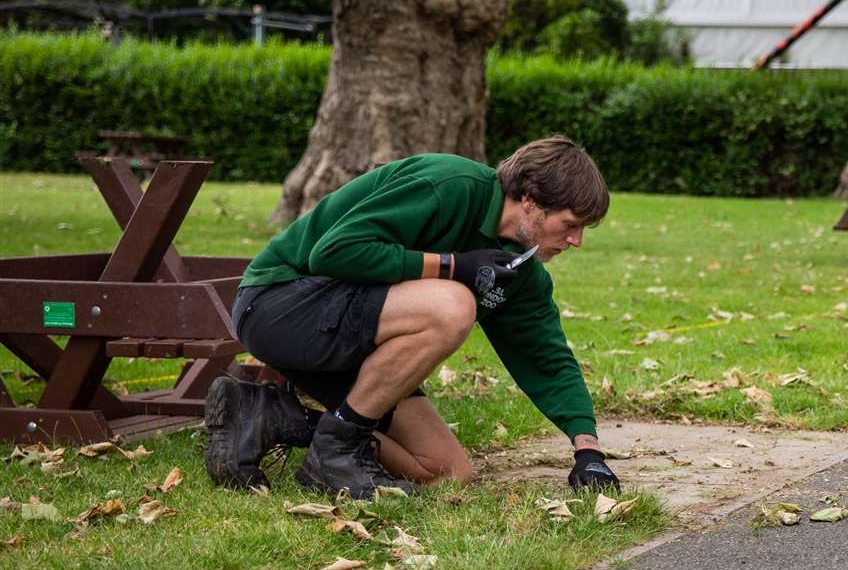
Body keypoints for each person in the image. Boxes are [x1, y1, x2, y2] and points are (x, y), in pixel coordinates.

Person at [204, 136, 620, 500]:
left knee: (445, 471)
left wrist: (588, 452)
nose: (576, 241)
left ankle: (277, 419)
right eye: (570, 225)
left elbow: (545, 356)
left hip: (350, 342)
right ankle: (337, 450)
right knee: (453, 305)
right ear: (530, 199)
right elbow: (333, 252)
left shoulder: (519, 269)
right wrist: (453, 266)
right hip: (280, 306)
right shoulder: (450, 184)